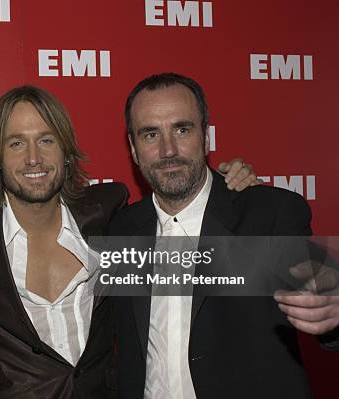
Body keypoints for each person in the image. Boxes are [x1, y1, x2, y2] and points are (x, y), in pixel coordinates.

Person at [0, 85, 257, 398]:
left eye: (46, 140)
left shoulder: (108, 214)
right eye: (16, 143)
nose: (33, 158)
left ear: (66, 151)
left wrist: (233, 183)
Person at [111, 72, 339, 399]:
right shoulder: (121, 229)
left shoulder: (270, 214)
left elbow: (318, 281)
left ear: (206, 137)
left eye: (182, 129)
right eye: (150, 134)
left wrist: (331, 309)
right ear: (133, 148)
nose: (168, 149)